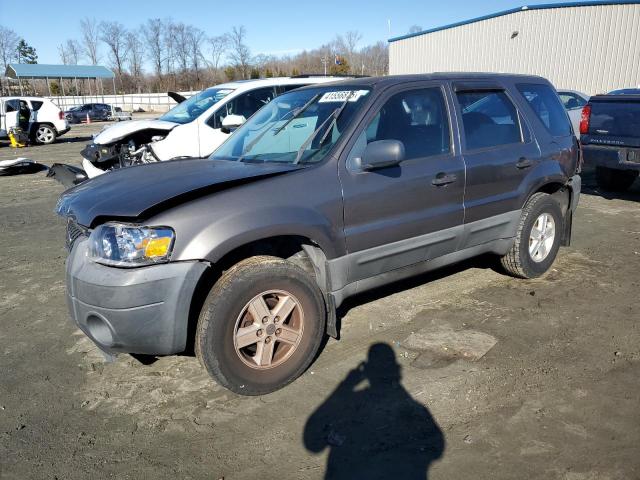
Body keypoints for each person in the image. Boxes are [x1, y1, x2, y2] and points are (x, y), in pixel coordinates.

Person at [304, 343, 445, 479]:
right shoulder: (415, 408)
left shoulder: (353, 403)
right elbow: (437, 449)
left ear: (367, 371)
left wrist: (345, 386)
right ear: (397, 370)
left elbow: (312, 445)